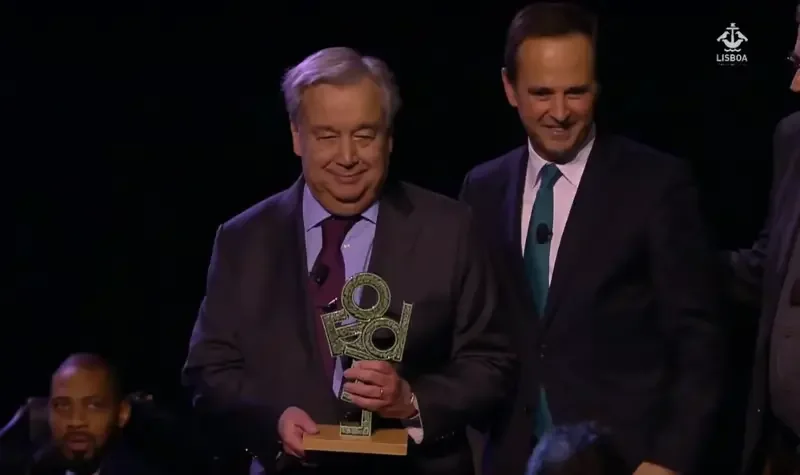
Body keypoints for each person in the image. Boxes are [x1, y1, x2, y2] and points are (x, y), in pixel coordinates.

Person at [182, 46, 517, 475]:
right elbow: (209, 371)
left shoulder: (450, 229)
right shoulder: (243, 240)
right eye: (326, 136)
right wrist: (274, 418)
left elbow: (490, 364)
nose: (347, 158)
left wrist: (411, 401)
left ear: (389, 138)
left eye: (364, 135)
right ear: (296, 136)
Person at [458, 3, 725, 475]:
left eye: (576, 92)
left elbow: (698, 340)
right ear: (509, 88)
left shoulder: (656, 184)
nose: (559, 113)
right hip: (511, 459)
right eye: (541, 93)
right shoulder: (481, 188)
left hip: (624, 461)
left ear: (596, 86)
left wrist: (668, 459)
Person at [731, 6, 800, 474]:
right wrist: (675, 261)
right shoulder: (792, 139)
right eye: (797, 65)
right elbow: (766, 267)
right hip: (782, 446)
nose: (795, 86)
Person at [8, 353, 169, 475]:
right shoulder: (33, 469)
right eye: (62, 406)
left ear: (122, 413)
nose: (76, 421)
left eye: (94, 405)